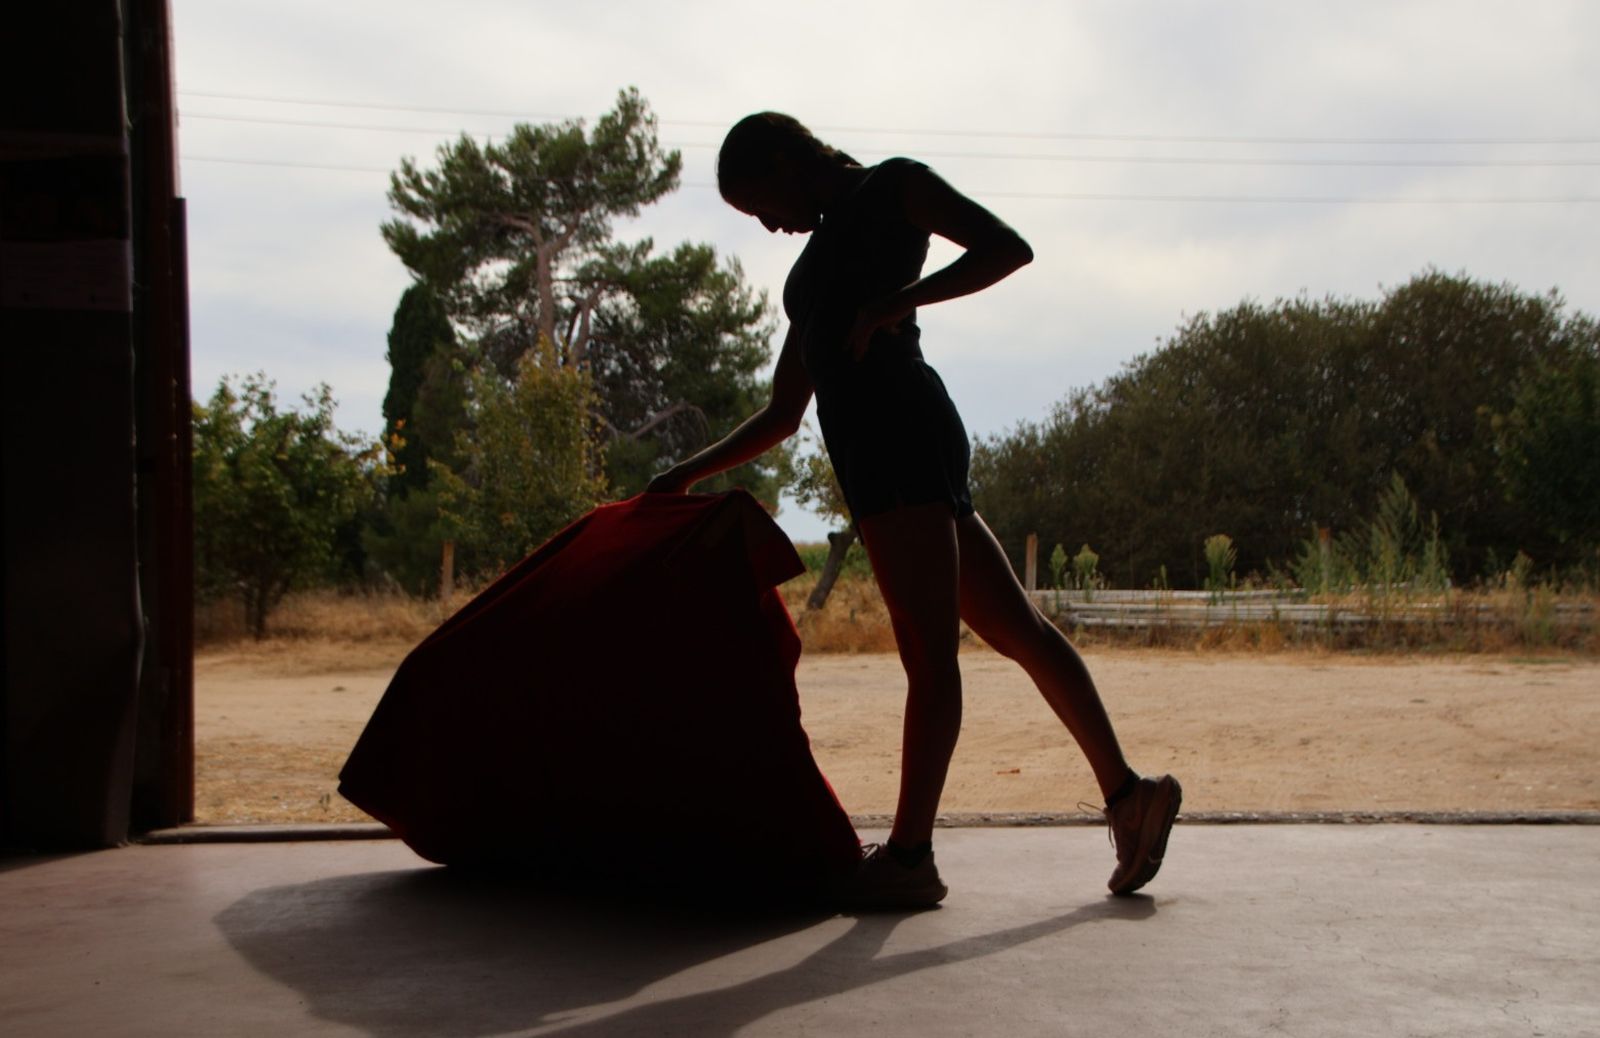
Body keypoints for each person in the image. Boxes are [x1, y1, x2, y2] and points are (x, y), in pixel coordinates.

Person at [647, 111, 1180, 908]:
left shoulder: (891, 187)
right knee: (1018, 631)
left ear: (792, 159)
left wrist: (896, 304)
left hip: (899, 437)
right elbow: (784, 411)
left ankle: (909, 856)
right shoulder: (821, 260)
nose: (767, 225)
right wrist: (682, 475)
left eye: (761, 202)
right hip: (881, 454)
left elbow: (1006, 248)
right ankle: (1129, 794)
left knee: (930, 658)